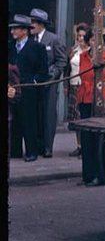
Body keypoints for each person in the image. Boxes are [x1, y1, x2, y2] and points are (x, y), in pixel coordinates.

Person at [76, 28, 105, 186]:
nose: (96, 43)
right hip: (86, 99)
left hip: (103, 101)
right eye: (94, 40)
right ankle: (88, 174)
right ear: (89, 41)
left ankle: (102, 175)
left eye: (100, 40)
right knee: (87, 139)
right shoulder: (83, 56)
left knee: (100, 140)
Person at [8, 14, 48, 162]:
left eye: (15, 29)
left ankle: (32, 151)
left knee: (29, 120)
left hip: (29, 90)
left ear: (24, 31)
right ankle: (15, 150)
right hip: (12, 89)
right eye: (12, 29)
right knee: (14, 119)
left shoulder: (37, 48)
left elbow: (43, 72)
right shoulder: (10, 47)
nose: (12, 32)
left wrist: (33, 82)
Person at [28, 8, 67, 158]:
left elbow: (62, 61)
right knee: (35, 114)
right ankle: (37, 145)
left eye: (32, 24)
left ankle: (47, 147)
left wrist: (51, 76)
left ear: (40, 24)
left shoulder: (54, 39)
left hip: (49, 83)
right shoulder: (31, 41)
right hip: (33, 82)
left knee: (48, 114)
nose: (30, 27)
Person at [65, 22, 90, 157]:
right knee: (75, 119)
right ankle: (79, 145)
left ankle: (86, 146)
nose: (81, 38)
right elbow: (67, 69)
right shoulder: (73, 50)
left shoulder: (90, 51)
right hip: (73, 85)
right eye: (79, 36)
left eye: (83, 36)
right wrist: (66, 87)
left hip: (84, 86)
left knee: (83, 118)